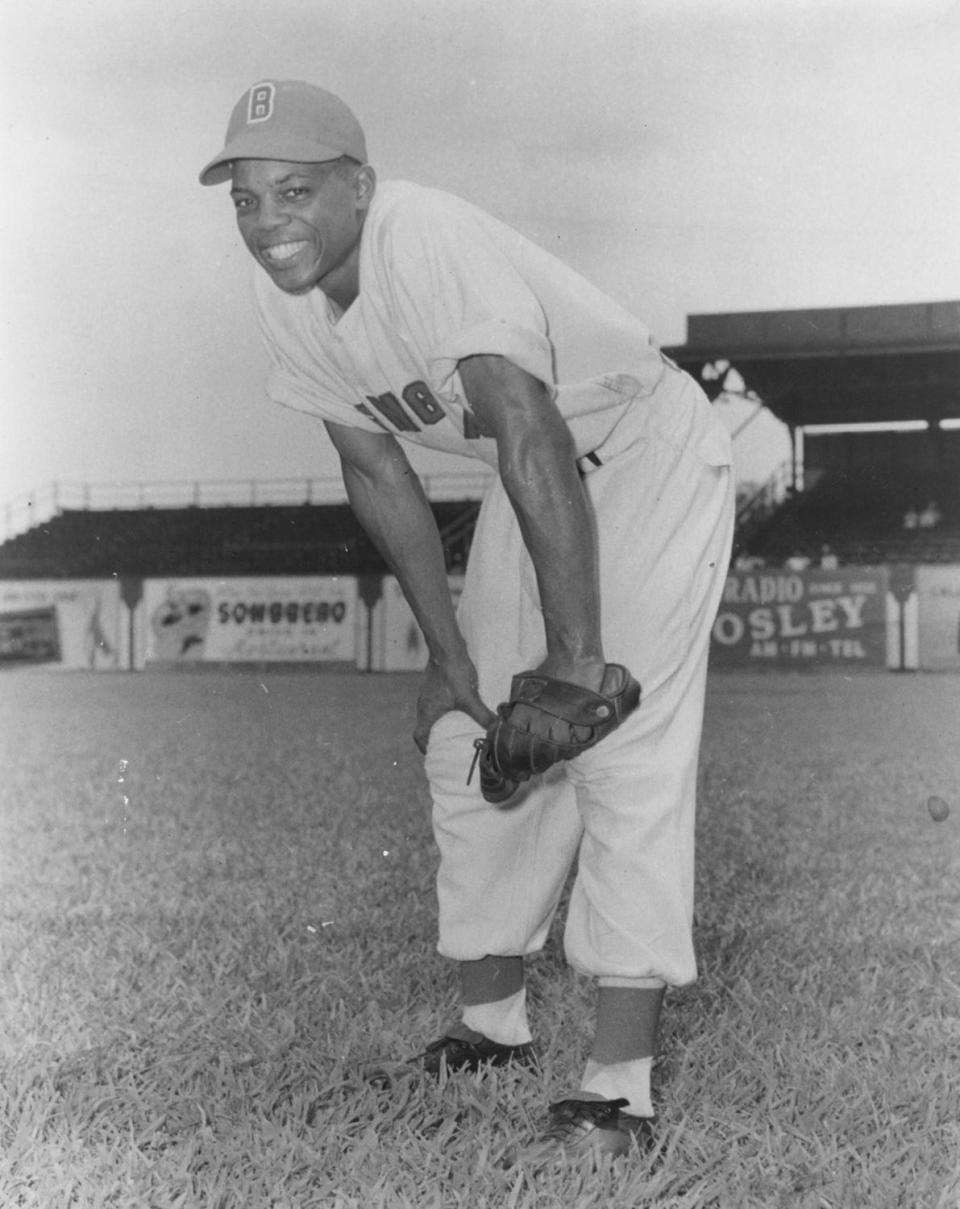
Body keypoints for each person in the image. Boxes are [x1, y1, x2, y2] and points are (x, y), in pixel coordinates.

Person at [200, 80, 734, 1164]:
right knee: (467, 735)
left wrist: (579, 657)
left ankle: (617, 1088)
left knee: (612, 740)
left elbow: (528, 422)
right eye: (247, 201)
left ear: (360, 184)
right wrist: (449, 658)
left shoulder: (421, 236)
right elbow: (374, 469)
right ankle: (490, 1028)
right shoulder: (289, 296)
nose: (268, 225)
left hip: (637, 447)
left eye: (295, 191)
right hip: (528, 477)